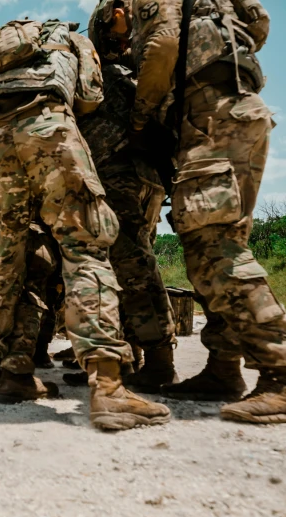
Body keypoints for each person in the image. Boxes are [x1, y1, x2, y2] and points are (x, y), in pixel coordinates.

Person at [0, 18, 171, 429]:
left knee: (9, 255)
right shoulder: (71, 40)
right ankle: (109, 387)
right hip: (47, 126)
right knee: (87, 244)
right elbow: (91, 96)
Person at [114, 0, 284, 423]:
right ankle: (224, 369)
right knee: (225, 239)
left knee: (211, 246)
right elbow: (259, 24)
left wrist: (140, 119)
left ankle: (279, 370)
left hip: (209, 115)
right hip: (236, 109)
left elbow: (163, 44)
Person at [61, 0, 179, 392]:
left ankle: (159, 360)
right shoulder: (126, 77)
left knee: (132, 267)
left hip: (121, 178)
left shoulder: (106, 78)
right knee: (128, 267)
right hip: (139, 178)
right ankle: (130, 359)